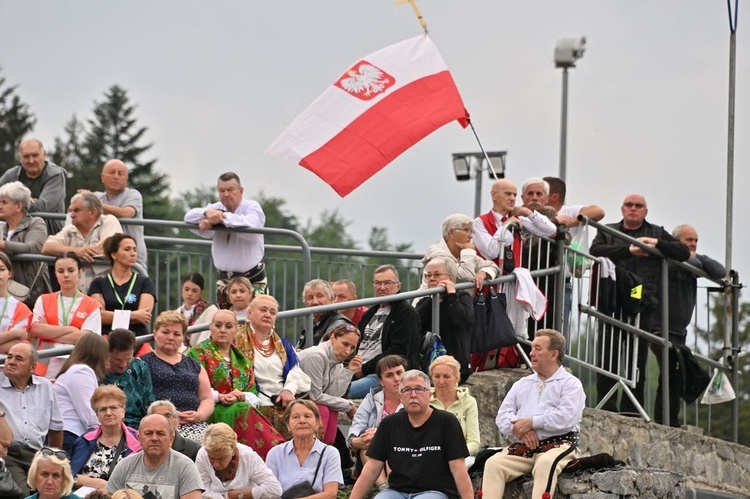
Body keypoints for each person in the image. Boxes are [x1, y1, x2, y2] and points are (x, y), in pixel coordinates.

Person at [589, 194, 690, 414]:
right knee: (608, 356)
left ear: (646, 211)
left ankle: (631, 409)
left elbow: (682, 252)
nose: (633, 209)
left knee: (637, 360)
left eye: (638, 206)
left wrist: (655, 244)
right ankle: (606, 406)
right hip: (612, 299)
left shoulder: (655, 232)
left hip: (641, 299)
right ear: (622, 208)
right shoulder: (609, 230)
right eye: (629, 205)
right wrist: (630, 249)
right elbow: (595, 250)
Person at [481, 329, 585, 499]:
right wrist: (522, 429)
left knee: (544, 463)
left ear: (553, 354)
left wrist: (532, 422)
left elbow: (566, 417)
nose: (531, 353)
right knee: (493, 463)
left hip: (559, 444)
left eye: (538, 348)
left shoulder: (571, 384)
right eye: (531, 348)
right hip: (525, 446)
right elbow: (502, 416)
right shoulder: (522, 383)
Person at [349, 370, 474, 499]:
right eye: (407, 390)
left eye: (419, 389)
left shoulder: (446, 422)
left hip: (435, 492)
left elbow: (459, 470)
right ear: (400, 396)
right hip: (397, 491)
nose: (413, 395)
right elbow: (370, 471)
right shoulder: (389, 424)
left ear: (429, 394)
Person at [652, 224, 726, 427]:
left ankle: (668, 419)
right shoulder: (666, 258)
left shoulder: (693, 262)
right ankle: (666, 420)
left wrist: (696, 259)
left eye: (695, 240)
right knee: (670, 371)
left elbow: (720, 271)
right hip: (658, 326)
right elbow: (668, 264)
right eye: (688, 240)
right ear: (676, 242)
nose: (693, 244)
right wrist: (687, 258)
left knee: (676, 373)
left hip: (678, 331)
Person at [187, 310, 284, 459]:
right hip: (211, 409)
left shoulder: (242, 358)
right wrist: (221, 397)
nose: (223, 330)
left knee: (243, 406)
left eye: (228, 326)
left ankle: (272, 453)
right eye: (218, 325)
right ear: (210, 328)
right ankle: (274, 451)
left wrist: (241, 395)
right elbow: (192, 388)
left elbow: (254, 395)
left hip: (238, 406)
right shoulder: (197, 353)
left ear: (235, 330)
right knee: (242, 408)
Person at [184, 172, 266, 307]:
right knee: (225, 325)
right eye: (222, 190)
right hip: (225, 283)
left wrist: (221, 218)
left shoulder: (252, 207)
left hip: (251, 280)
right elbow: (188, 217)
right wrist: (206, 214)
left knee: (255, 324)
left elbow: (252, 224)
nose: (226, 194)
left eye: (230, 190)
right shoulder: (215, 208)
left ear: (241, 191)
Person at [236, 294, 311, 435]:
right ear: (250, 314)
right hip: (253, 404)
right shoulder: (235, 341)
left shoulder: (283, 345)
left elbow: (296, 372)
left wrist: (288, 390)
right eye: (263, 310)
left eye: (272, 312)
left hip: (281, 404)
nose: (267, 315)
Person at [0, 342, 63, 496]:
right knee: (24, 495)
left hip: (38, 454)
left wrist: (55, 459)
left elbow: (56, 429)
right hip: (9, 454)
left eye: (18, 359)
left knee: (57, 492)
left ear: (33, 367)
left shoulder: (46, 387)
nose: (11, 362)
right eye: (9, 357)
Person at [141, 312, 214, 443]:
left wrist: (199, 415)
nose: (170, 337)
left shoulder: (194, 365)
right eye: (165, 332)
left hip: (196, 425)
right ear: (155, 333)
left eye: (176, 334)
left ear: (183, 338)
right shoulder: (142, 363)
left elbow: (207, 398)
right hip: (159, 427)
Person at [349, 265, 420, 399]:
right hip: (358, 370)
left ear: (398, 286)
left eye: (387, 283)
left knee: (344, 391)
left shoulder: (406, 313)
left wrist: (364, 369)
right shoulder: (369, 314)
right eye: (378, 283)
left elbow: (398, 351)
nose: (382, 287)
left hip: (385, 374)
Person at [30, 253, 101, 379]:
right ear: (56, 274)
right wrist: (71, 330)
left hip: (77, 363)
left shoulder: (92, 304)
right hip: (45, 365)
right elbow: (36, 329)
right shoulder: (44, 299)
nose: (66, 275)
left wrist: (49, 330)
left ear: (80, 272)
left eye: (71, 270)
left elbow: (86, 338)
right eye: (61, 271)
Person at [106, 414, 203, 499]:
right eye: (148, 433)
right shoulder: (125, 465)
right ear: (139, 438)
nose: (154, 438)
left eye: (160, 433)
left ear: (171, 439)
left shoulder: (185, 467)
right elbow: (110, 496)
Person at [42, 193, 123, 293]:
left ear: (93, 212)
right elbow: (47, 247)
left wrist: (68, 251)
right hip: (76, 298)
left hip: (106, 294)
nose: (71, 215)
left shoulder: (109, 221)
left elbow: (107, 249)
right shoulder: (70, 229)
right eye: (70, 211)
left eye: (76, 210)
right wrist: (77, 251)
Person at [347, 355, 407, 487]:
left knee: (381, 441)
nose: (396, 379)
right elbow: (356, 428)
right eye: (389, 375)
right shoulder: (371, 398)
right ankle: (383, 488)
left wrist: (380, 435)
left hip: (404, 454)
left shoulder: (413, 398)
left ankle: (392, 486)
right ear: (381, 381)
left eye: (399, 373)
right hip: (372, 455)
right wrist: (357, 441)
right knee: (368, 444)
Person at [69, 385, 141, 494]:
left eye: (113, 408)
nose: (108, 413)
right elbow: (69, 477)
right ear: (97, 415)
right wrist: (97, 483)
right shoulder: (84, 441)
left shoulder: (137, 442)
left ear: (123, 411)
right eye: (102, 409)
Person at [473, 179, 555, 272]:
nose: (512, 198)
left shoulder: (518, 219)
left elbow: (550, 230)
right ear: (494, 195)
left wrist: (527, 212)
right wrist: (506, 226)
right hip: (491, 283)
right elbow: (491, 252)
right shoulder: (479, 222)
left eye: (514, 195)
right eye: (507, 194)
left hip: (513, 283)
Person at [266, 400, 343, 499]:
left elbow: (330, 494)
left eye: (307, 416)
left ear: (318, 423)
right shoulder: (275, 453)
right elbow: (269, 492)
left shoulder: (330, 453)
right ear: (288, 425)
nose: (302, 421)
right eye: (296, 417)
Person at [298, 323, 362, 443]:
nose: (348, 351)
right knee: (323, 409)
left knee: (332, 410)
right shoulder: (316, 356)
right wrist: (348, 406)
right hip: (291, 400)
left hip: (308, 402)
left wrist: (348, 372)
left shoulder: (339, 363)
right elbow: (315, 396)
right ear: (333, 338)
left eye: (353, 348)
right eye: (345, 344)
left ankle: (326, 452)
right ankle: (313, 450)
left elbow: (333, 396)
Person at [415, 257, 474, 382]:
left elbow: (460, 320)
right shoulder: (424, 301)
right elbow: (416, 325)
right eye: (428, 275)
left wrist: (451, 295)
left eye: (437, 275)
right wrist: (432, 299)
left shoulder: (462, 297)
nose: (431, 279)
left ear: (451, 279)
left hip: (456, 368)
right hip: (427, 366)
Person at [88, 234, 156, 338]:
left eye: (134, 249)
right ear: (114, 255)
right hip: (107, 338)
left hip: (137, 338)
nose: (133, 254)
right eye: (127, 249)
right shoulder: (98, 284)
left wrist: (111, 316)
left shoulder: (144, 282)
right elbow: (98, 316)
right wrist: (134, 315)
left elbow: (144, 316)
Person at [53, 333, 110, 453]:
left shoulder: (75, 370)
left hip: (70, 435)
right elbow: (89, 412)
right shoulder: (81, 372)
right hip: (71, 435)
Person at [89, 159, 148, 273]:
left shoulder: (133, 195)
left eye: (120, 173)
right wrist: (85, 199)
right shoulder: (97, 197)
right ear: (102, 177)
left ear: (126, 179)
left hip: (132, 261)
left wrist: (94, 203)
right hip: (103, 260)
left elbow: (126, 213)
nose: (116, 177)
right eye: (112, 172)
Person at [196, 422, 283, 499]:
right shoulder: (203, 453)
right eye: (211, 458)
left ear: (233, 451)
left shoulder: (247, 456)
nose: (216, 464)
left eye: (221, 458)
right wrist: (226, 497)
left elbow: (275, 489)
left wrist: (239, 495)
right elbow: (201, 490)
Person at [418, 213, 498, 294]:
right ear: (452, 232)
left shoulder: (462, 251)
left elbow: (493, 266)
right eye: (466, 230)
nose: (471, 236)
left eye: (471, 231)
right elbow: (466, 276)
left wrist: (483, 273)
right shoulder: (437, 253)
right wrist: (468, 251)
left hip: (454, 303)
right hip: (430, 303)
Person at [0, 181, 51, 308]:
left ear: (18, 206)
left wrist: (2, 245)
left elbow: (32, 247)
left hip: (31, 294)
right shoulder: (1, 227)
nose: (0, 206)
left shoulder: (36, 223)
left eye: (4, 202)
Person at [0, 138, 66, 235]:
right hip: (13, 232)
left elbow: (43, 206)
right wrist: (26, 202)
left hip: (48, 234)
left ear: (44, 154)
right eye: (26, 156)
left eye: (35, 155)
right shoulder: (12, 174)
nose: (31, 161)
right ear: (20, 158)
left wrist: (16, 202)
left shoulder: (55, 175)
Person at [429, 356, 480, 467]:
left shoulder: (469, 402)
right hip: (428, 455)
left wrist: (454, 454)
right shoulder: (424, 401)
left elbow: (474, 442)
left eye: (447, 376)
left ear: (456, 378)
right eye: (437, 376)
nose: (441, 381)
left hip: (459, 457)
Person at [101, 329, 155, 428]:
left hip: (138, 427)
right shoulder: (98, 370)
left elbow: (149, 404)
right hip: (108, 426)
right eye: (117, 359)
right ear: (108, 353)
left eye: (128, 359)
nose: (123, 364)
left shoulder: (140, 366)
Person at [297, 279, 352, 348]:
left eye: (320, 296)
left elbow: (323, 354)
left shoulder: (339, 324)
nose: (315, 302)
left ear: (332, 298)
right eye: (310, 298)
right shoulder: (311, 324)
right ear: (305, 303)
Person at [0, 251, 32, 354]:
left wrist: (16, 336)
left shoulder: (21, 309)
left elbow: (18, 345)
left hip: (8, 367)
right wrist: (14, 333)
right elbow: (15, 339)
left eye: (1, 269)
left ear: (9, 273)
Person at [176, 272, 219, 348]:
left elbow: (206, 338)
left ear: (201, 292)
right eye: (186, 289)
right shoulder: (176, 313)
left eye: (194, 291)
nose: (189, 293)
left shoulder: (211, 310)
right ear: (181, 290)